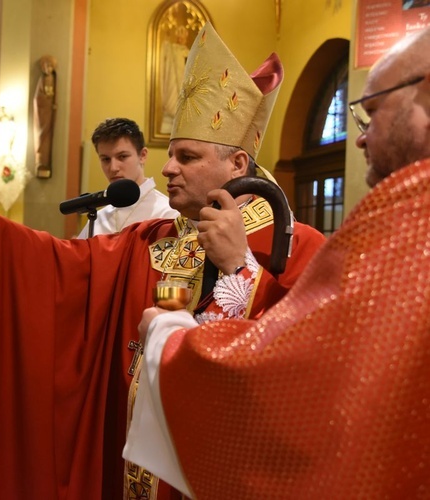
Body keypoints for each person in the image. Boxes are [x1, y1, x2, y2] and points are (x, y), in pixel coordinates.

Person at [0, 23, 325, 499]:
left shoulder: (298, 248)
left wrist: (243, 266)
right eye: (170, 154)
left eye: (187, 156)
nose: (168, 168)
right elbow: (64, 265)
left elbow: (309, 371)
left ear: (238, 165)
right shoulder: (152, 240)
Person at [124, 26, 430, 498]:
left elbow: (306, 375)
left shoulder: (402, 217)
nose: (360, 140)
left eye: (371, 114)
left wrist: (168, 338)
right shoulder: (163, 235)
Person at [77, 118, 178, 238]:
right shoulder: (98, 218)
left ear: (142, 155)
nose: (113, 168)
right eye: (105, 159)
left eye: (122, 156)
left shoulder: (168, 213)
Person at [160, 24, 190, 134]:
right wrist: (167, 37)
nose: (181, 39)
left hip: (183, 83)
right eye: (179, 36)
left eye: (183, 37)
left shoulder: (188, 52)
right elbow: (165, 49)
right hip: (172, 83)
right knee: (171, 103)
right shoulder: (172, 49)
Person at [33, 55, 57, 178]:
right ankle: (40, 161)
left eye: (51, 66)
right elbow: (38, 98)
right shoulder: (43, 79)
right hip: (42, 113)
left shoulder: (51, 78)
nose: (49, 69)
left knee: (46, 137)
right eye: (47, 66)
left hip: (48, 112)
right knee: (41, 135)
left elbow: (51, 93)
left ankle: (44, 161)